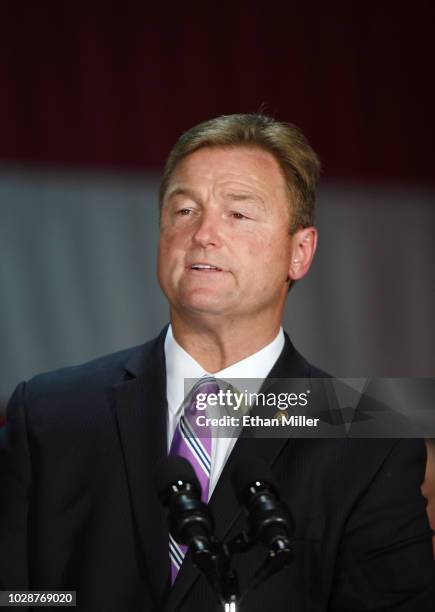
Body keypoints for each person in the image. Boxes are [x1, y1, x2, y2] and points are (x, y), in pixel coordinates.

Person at [1, 113, 434, 611]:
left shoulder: (364, 438)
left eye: (238, 214)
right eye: (184, 210)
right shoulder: (52, 413)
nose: (203, 234)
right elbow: (16, 595)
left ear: (300, 252)